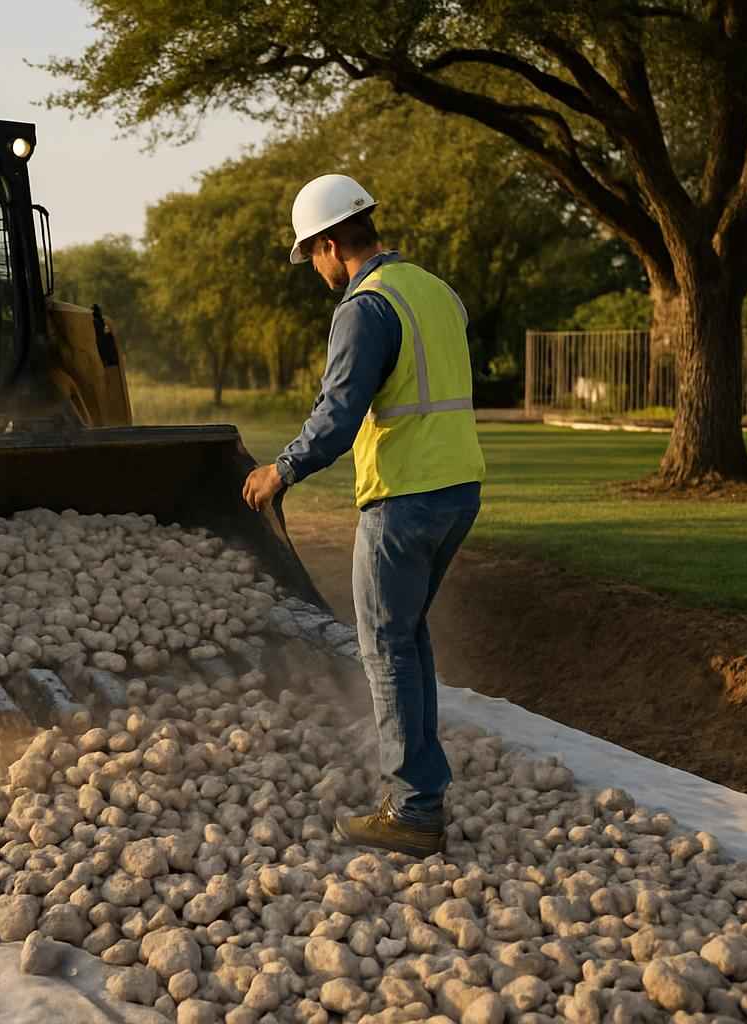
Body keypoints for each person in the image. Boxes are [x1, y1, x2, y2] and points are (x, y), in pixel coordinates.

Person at [241, 174, 486, 858]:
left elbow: (338, 416)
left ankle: (413, 810)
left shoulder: (364, 307)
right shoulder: (436, 291)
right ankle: (424, 792)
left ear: (326, 244)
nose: (314, 270)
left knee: (385, 647)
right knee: (408, 638)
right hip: (459, 489)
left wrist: (279, 470)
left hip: (403, 498)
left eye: (310, 256)